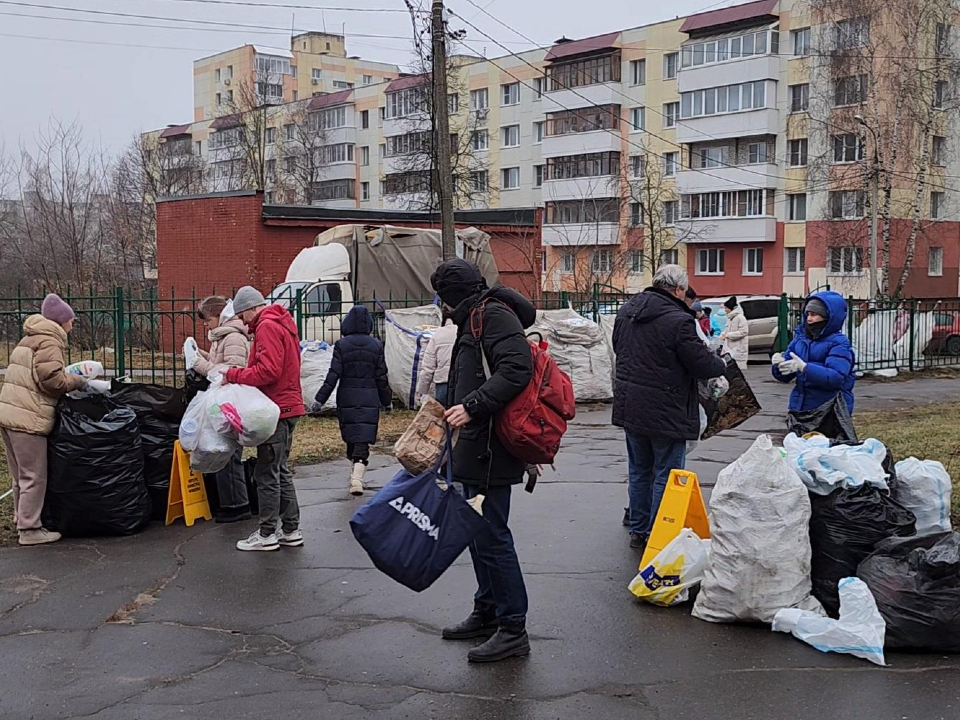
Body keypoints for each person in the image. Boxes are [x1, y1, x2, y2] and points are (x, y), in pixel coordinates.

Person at [430, 258, 534, 664]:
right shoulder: (472, 317)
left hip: (492, 445)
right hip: (473, 444)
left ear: (452, 296)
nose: (442, 305)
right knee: (477, 533)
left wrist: (472, 406)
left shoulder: (493, 316)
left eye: (442, 298)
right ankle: (487, 610)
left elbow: (516, 368)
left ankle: (513, 628)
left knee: (493, 537)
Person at [613, 265, 726, 550]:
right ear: (677, 290)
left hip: (631, 404)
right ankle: (658, 531)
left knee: (639, 469)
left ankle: (638, 529)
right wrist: (721, 362)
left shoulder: (627, 311)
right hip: (668, 406)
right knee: (667, 472)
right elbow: (701, 364)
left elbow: (618, 348)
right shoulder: (678, 320)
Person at [223, 286, 306, 552]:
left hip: (276, 409)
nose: (243, 322)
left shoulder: (267, 327)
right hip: (288, 406)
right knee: (280, 469)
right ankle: (291, 529)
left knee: (267, 472)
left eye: (241, 315)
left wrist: (235, 375)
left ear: (250, 308)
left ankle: (267, 533)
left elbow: (268, 371)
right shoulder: (282, 322)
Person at [0, 294, 87, 546]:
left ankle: (21, 518)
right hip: (27, 418)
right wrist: (78, 381)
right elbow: (52, 381)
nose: (72, 325)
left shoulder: (31, 337)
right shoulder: (50, 341)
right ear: (61, 321)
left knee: (20, 476)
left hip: (10, 414)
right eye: (71, 320)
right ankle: (30, 530)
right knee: (33, 476)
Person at [314, 305, 391, 496]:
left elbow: (333, 374)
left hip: (346, 396)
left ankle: (355, 471)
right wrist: (387, 400)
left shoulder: (342, 345)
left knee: (351, 436)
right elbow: (382, 376)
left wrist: (319, 399)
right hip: (369, 396)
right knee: (362, 437)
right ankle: (357, 475)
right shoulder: (376, 345)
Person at [191, 295, 252, 523]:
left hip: (230, 401)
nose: (206, 324)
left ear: (218, 315)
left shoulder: (233, 336)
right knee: (222, 449)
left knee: (228, 451)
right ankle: (230, 502)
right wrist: (202, 355)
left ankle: (237, 504)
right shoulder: (222, 336)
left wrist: (199, 364)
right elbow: (220, 363)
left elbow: (230, 371)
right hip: (224, 400)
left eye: (207, 319)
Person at [772, 291, 855, 414]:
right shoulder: (800, 339)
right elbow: (784, 377)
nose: (809, 319)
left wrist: (806, 368)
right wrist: (779, 365)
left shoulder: (839, 343)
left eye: (815, 315)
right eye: (808, 314)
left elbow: (836, 378)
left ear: (828, 317)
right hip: (800, 407)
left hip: (830, 409)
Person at [415, 319, 457, 407]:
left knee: (443, 416)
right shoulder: (466, 332)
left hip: (443, 383)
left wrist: (422, 391)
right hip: (462, 383)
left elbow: (428, 368)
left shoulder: (438, 335)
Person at [719, 296, 749, 370]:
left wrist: (728, 335)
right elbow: (727, 330)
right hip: (730, 348)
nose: (725, 310)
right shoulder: (730, 318)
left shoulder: (740, 318)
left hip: (738, 348)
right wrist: (723, 334)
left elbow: (744, 332)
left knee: (737, 371)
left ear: (731, 308)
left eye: (726, 308)